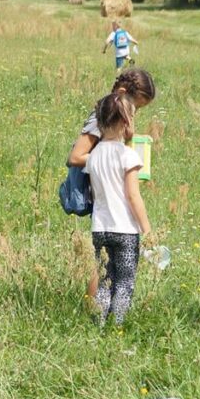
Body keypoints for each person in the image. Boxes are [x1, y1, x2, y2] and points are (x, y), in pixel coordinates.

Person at [66, 70, 156, 299]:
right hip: (102, 199)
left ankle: (100, 311)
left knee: (108, 264)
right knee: (104, 267)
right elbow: (76, 156)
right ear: (123, 93)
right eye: (136, 107)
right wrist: (113, 160)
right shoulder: (100, 118)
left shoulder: (111, 114)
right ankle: (94, 311)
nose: (134, 114)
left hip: (107, 197)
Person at [82, 93, 151, 325]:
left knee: (104, 280)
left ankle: (99, 323)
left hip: (99, 229)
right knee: (124, 282)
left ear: (100, 122)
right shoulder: (128, 156)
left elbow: (95, 194)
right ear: (126, 122)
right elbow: (133, 196)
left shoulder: (92, 158)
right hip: (125, 231)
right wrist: (147, 229)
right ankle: (118, 324)